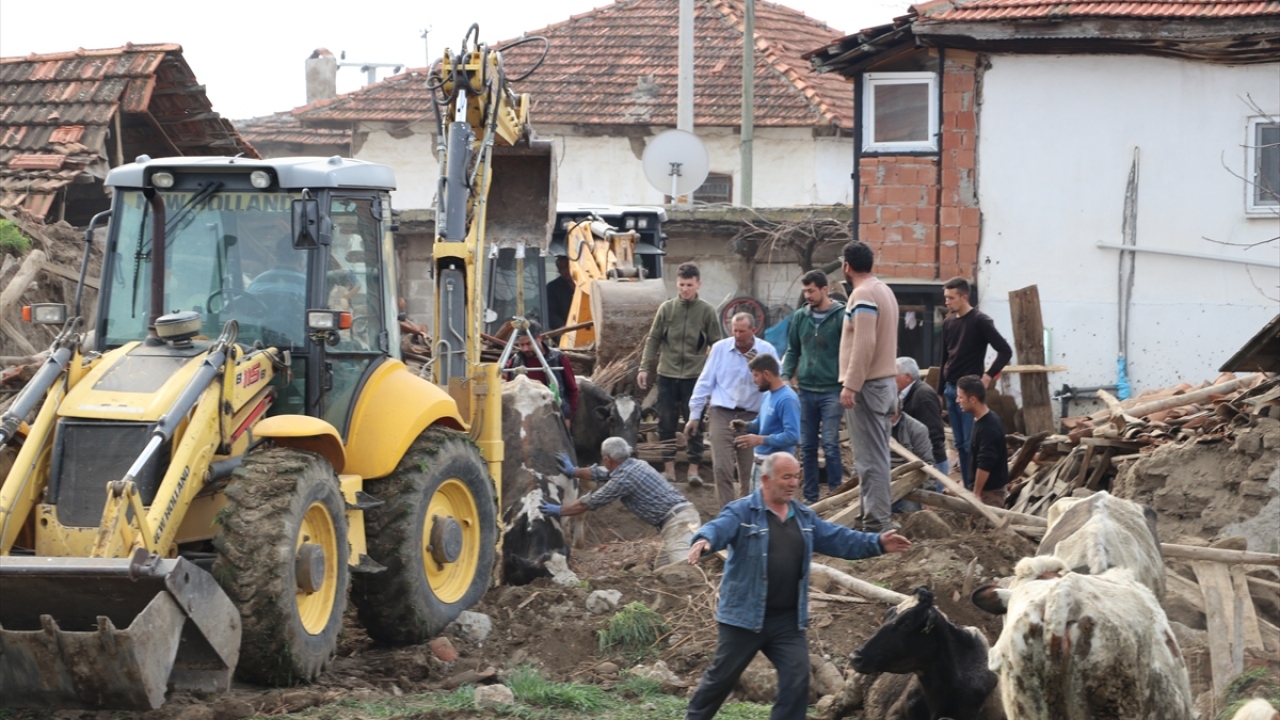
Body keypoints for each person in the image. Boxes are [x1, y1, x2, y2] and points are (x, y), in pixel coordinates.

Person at [684, 452, 912, 720]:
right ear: (766, 480)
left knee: (797, 680)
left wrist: (877, 543)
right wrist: (705, 539)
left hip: (787, 621)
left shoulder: (803, 517)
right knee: (721, 679)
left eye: (797, 477)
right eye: (787, 477)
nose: (794, 483)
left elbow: (839, 539)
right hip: (744, 617)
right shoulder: (742, 512)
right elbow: (719, 527)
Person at [545, 437, 700, 566]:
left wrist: (559, 510)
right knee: (662, 572)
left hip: (679, 524)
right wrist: (574, 471)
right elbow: (600, 472)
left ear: (607, 459)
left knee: (685, 569)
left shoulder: (623, 480)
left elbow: (590, 502)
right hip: (679, 519)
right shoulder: (636, 464)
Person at [638, 263, 722, 484]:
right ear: (677, 284)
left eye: (690, 285)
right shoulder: (666, 309)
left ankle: (694, 470)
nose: (685, 289)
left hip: (695, 377)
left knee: (694, 421)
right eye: (682, 285)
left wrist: (716, 373)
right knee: (666, 422)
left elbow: (717, 344)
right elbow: (653, 339)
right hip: (667, 374)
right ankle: (669, 470)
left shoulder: (707, 311)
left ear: (698, 284)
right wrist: (644, 367)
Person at [837, 240, 900, 532]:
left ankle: (876, 524)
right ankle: (870, 518)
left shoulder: (862, 294)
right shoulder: (883, 290)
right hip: (884, 384)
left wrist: (850, 385)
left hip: (869, 386)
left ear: (847, 266)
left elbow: (864, 342)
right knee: (876, 456)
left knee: (869, 459)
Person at [685, 312, 777, 507]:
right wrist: (695, 415)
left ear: (753, 330)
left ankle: (747, 512)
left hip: (752, 416)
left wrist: (760, 365)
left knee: (748, 471)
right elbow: (704, 382)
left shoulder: (766, 350)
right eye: (734, 330)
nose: (737, 335)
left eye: (742, 331)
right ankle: (727, 513)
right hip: (722, 413)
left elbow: (776, 383)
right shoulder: (719, 349)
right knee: (722, 468)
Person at [939, 277, 1012, 486]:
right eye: (945, 297)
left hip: (970, 391)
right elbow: (944, 357)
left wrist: (988, 375)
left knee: (973, 443)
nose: (947, 302)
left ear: (964, 297)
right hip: (951, 388)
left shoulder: (980, 321)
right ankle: (967, 484)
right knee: (960, 443)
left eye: (951, 298)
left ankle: (975, 487)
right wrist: (939, 390)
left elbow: (1005, 351)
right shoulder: (948, 322)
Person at [781, 270, 846, 503]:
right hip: (806, 389)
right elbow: (793, 350)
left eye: (812, 290)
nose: (808, 295)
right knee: (807, 446)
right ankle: (810, 497)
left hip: (832, 390)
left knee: (829, 443)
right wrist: (786, 376)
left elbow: (848, 351)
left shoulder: (841, 316)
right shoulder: (800, 317)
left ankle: (836, 494)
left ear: (824, 289)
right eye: (805, 291)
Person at [732, 353, 801, 494]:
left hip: (776, 470)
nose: (754, 380)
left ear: (767, 374)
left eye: (756, 375)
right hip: (759, 463)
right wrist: (747, 426)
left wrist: (759, 440)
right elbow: (762, 423)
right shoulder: (767, 394)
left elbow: (792, 436)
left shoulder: (787, 399)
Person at [504, 319, 580, 428]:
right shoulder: (514, 362)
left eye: (529, 343)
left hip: (553, 417)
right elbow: (509, 393)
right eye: (521, 345)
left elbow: (572, 390)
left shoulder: (558, 359)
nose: (525, 349)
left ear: (540, 338)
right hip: (525, 421)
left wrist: (568, 418)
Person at [955, 374, 1010, 507]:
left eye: (961, 397)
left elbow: (985, 463)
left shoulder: (988, 428)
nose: (957, 400)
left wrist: (976, 493)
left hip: (989, 495)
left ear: (973, 399)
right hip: (984, 492)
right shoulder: (980, 420)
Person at [895, 356, 948, 477]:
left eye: (894, 375)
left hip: (931, 464)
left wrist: (929, 464)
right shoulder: (905, 395)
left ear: (907, 377)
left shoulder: (923, 396)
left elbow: (934, 433)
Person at [888, 404, 938, 514]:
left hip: (908, 487)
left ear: (896, 411)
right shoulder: (874, 426)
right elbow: (863, 459)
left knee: (911, 513)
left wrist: (928, 493)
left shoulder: (916, 429)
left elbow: (927, 463)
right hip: (882, 483)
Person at [546, 255, 575, 335]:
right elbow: (550, 313)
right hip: (564, 331)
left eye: (567, 266)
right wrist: (564, 328)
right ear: (559, 271)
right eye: (562, 268)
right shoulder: (553, 288)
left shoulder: (584, 284)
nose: (566, 270)